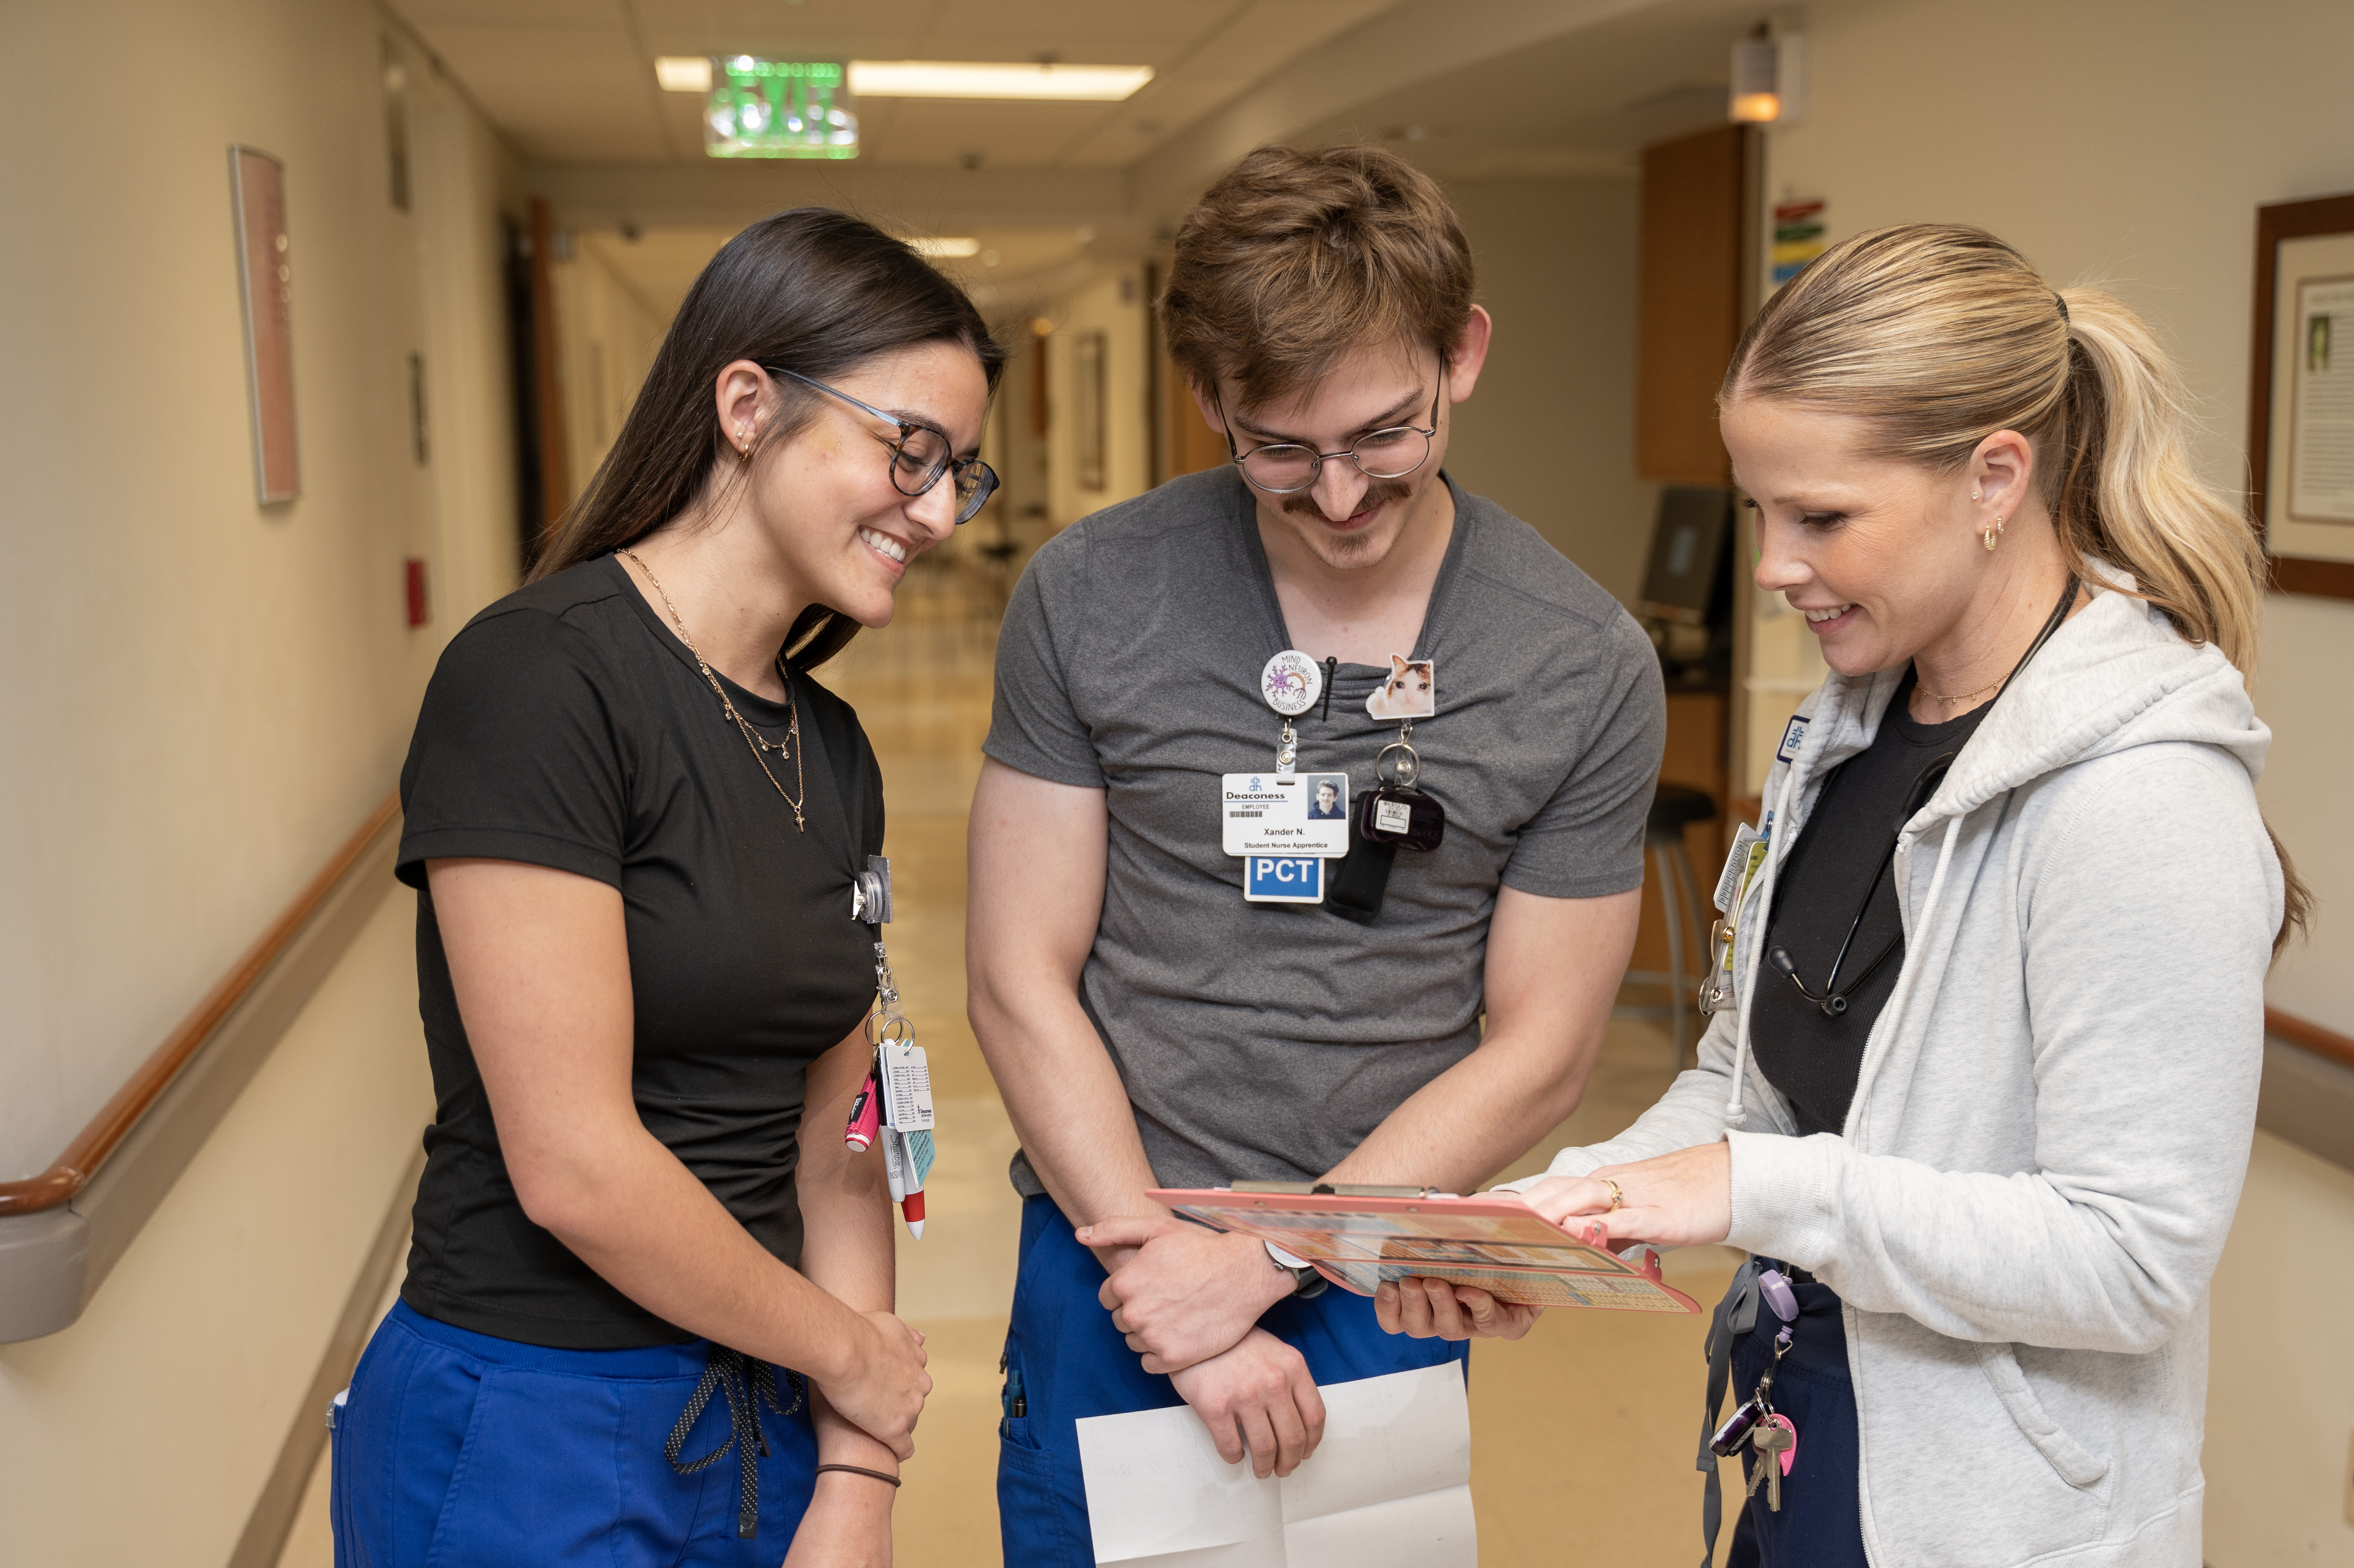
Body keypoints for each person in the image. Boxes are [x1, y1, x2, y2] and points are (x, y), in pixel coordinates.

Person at [1379, 224, 2311, 1568]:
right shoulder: (1846, 734)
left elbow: (2131, 1260)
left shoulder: (2141, 794)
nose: (1771, 564)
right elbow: (1751, 1084)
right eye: (1759, 510)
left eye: (1821, 518)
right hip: (1805, 1426)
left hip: (1992, 1513)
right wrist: (1564, 1214)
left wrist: (1754, 1188)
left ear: (1996, 478)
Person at [967, 145, 1667, 1563]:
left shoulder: (1579, 661)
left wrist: (1277, 1256)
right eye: (1280, 449)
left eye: (1383, 436)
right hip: (1112, 1240)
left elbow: (1542, 1047)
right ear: (1209, 399)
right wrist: (1168, 1276)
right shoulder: (1093, 594)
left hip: (1378, 1269)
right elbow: (1015, 974)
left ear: (1463, 355)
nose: (1339, 496)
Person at [331, 209, 1004, 1568]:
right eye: (909, 451)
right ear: (747, 405)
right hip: (533, 1420)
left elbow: (843, 1144)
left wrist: (857, 1476)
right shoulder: (539, 679)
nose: (936, 511)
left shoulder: (830, 747)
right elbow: (575, 1166)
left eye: (960, 474)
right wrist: (853, 1358)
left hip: (766, 1411)